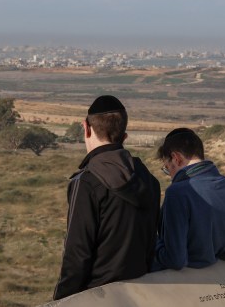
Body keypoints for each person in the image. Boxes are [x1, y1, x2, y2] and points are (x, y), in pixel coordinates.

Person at [53, 95, 161, 300]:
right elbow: (150, 245)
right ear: (124, 136)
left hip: (97, 295)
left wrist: (60, 300)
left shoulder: (86, 182)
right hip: (139, 293)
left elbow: (77, 253)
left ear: (85, 128)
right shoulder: (149, 180)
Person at [152, 128, 225, 271]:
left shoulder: (177, 193)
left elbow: (175, 260)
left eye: (168, 168)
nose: (170, 175)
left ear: (176, 158)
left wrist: (153, 242)